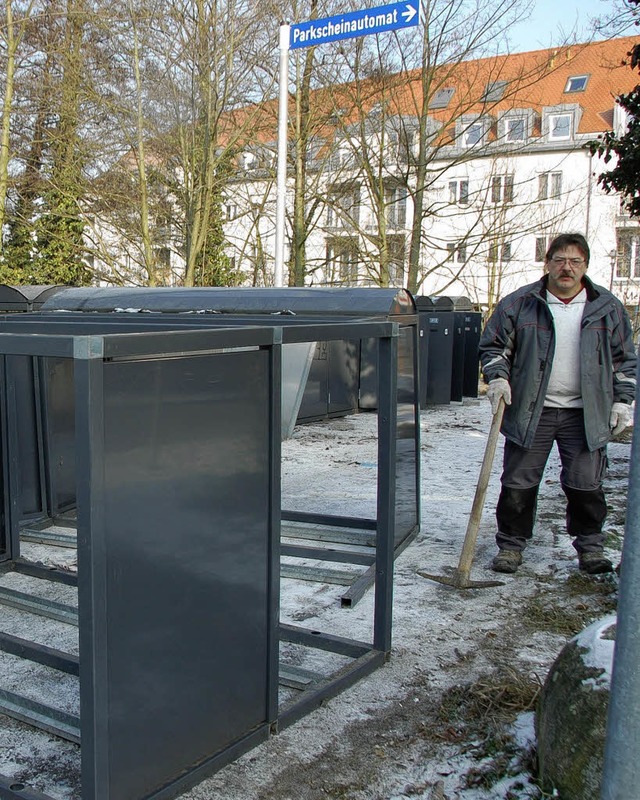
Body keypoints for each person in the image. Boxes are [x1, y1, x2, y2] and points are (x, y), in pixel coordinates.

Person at [479, 232, 637, 575]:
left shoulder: (607, 309)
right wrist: (498, 378)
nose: (567, 268)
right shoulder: (520, 304)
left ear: (585, 266)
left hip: (585, 414)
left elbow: (625, 360)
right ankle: (510, 547)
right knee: (518, 483)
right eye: (560, 260)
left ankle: (591, 548)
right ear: (547, 263)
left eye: (575, 261)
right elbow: (493, 348)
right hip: (530, 411)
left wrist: (623, 401)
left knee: (586, 485)